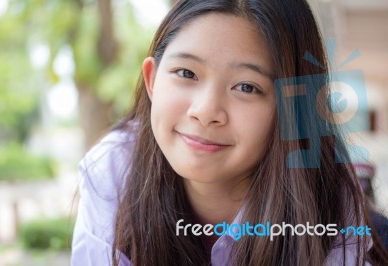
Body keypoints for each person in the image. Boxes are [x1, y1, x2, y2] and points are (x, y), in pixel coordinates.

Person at [71, 0, 388, 265]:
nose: (206, 111)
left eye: (247, 87)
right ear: (152, 79)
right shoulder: (114, 174)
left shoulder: (332, 219)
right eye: (186, 73)